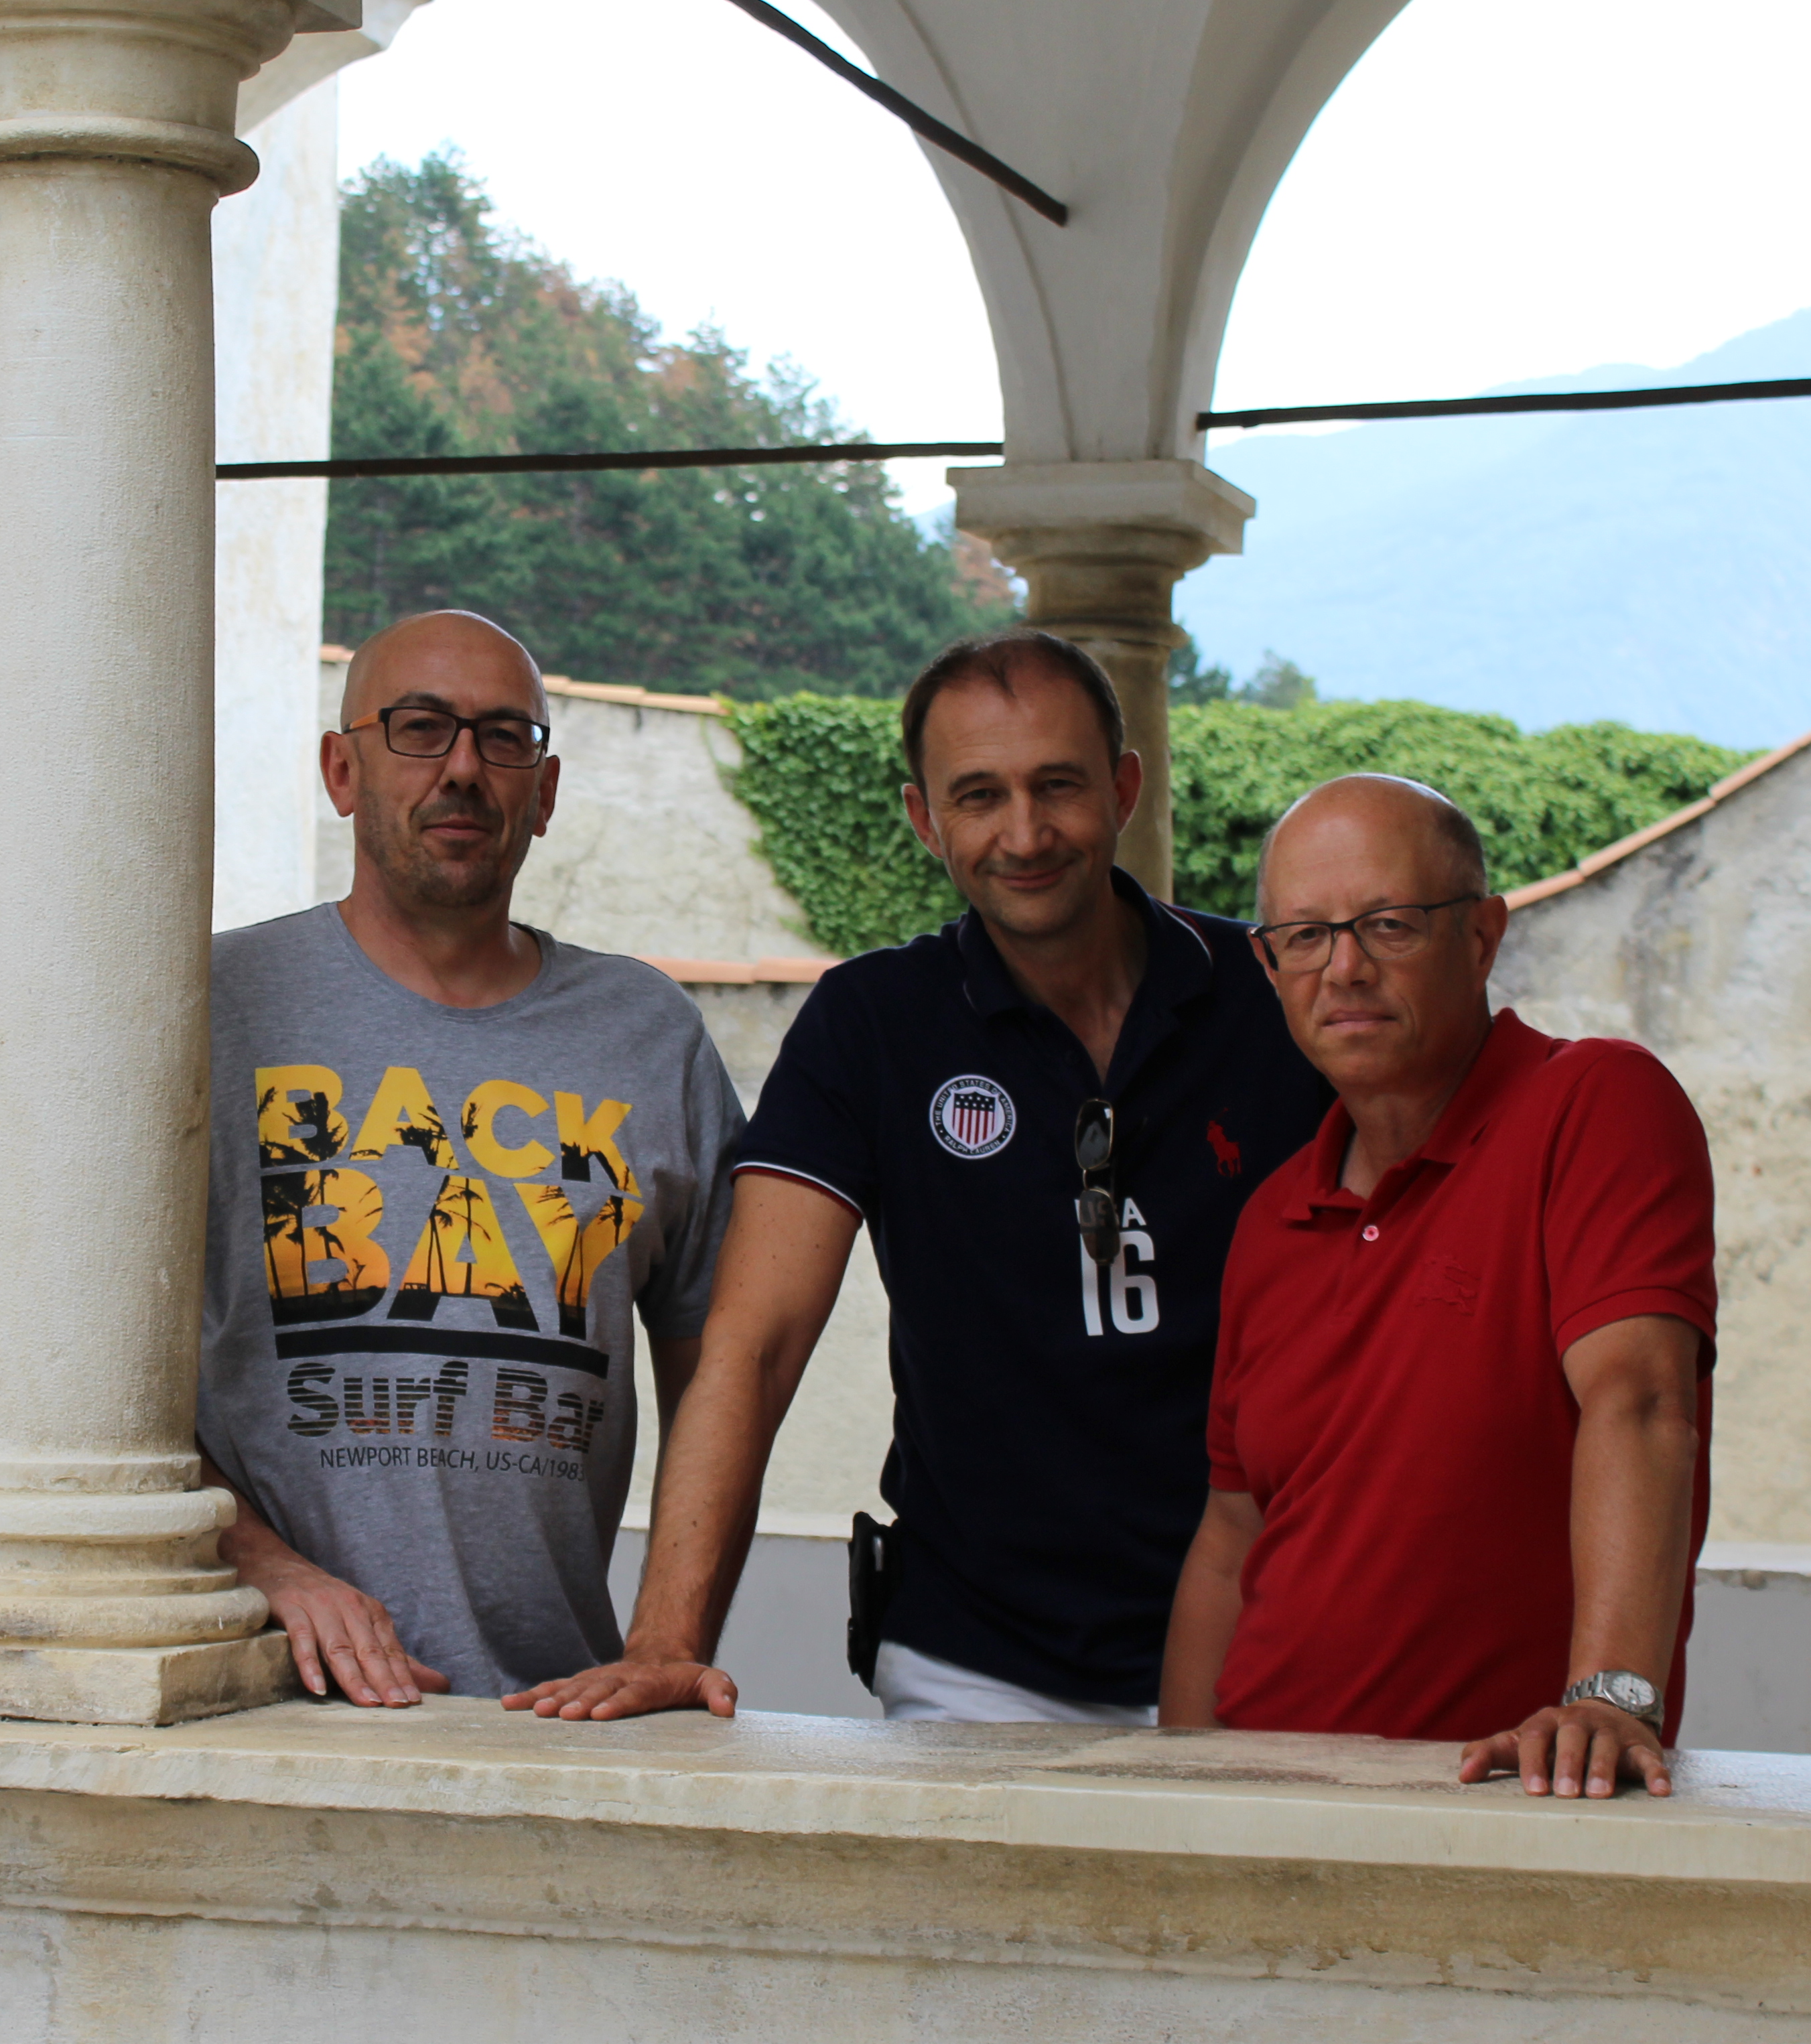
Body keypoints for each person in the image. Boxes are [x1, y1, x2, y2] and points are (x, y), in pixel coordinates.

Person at [511, 629, 1331, 1725]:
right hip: (974, 1667)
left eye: (1059, 787)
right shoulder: (873, 1026)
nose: (1024, 833)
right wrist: (667, 1645)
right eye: (980, 796)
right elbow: (751, 1347)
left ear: (1126, 789)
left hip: (1269, 1640)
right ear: (924, 819)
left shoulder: (1274, 1001)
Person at [194, 609, 746, 1704]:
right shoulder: (213, 1011)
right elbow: (95, 1374)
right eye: (420, 728)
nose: (462, 769)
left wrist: (666, 1644)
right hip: (253, 1696)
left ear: (543, 793)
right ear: (341, 769)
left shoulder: (648, 1035)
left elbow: (726, 1378)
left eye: (504, 738)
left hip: (545, 1711)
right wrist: (263, 1564)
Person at [1154, 774, 1715, 1799]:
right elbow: (1232, 1539)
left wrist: (1612, 1699)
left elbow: (1641, 1399)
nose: (1346, 968)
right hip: (1264, 1807)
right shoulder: (1271, 1219)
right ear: (1268, 965)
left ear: (1484, 936)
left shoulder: (1594, 1105)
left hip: (1503, 1804)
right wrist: (1183, 1784)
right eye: (1307, 937)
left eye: (1391, 925)